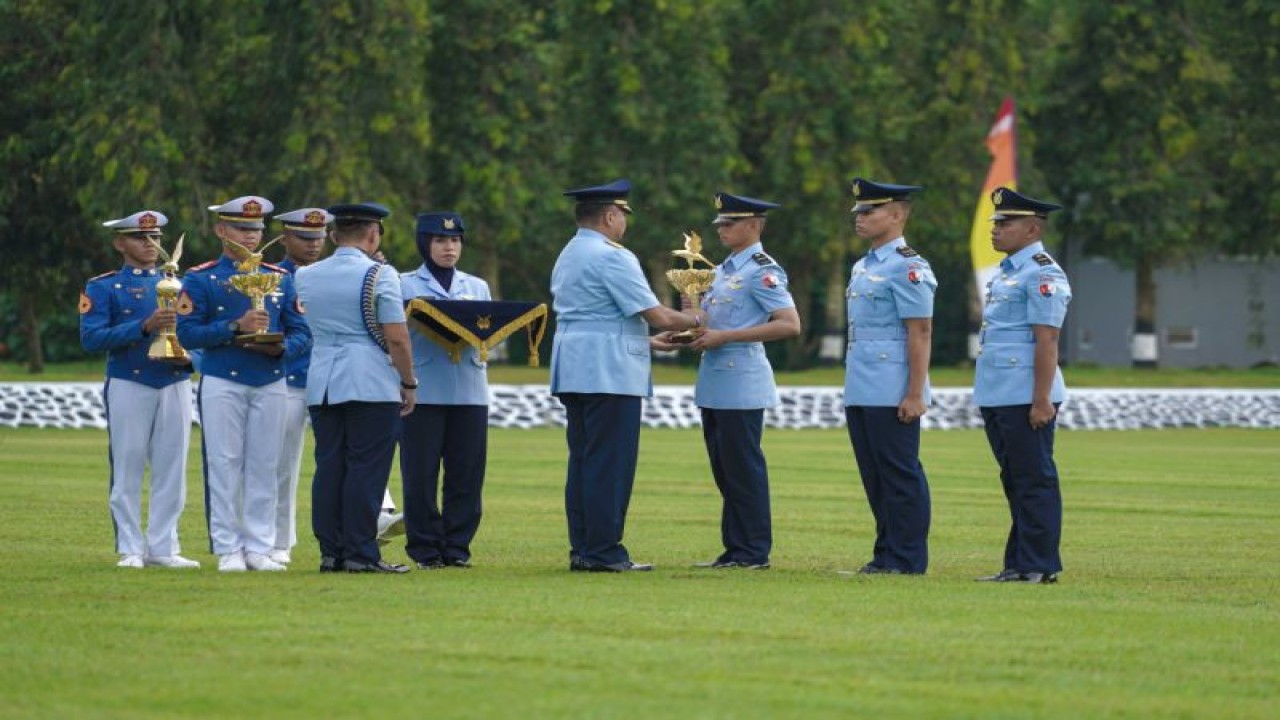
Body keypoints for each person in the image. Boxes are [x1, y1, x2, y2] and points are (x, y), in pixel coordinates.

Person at [550, 178, 707, 573]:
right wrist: (694, 317)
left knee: (584, 461)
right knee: (610, 464)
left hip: (575, 363)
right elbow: (654, 312)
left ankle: (584, 548)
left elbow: (595, 316)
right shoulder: (613, 256)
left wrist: (651, 342)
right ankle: (604, 551)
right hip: (609, 370)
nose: (624, 224)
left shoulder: (570, 252)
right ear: (609, 215)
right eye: (622, 215)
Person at [652, 193, 801, 570]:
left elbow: (789, 323)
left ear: (753, 225)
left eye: (729, 223)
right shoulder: (721, 271)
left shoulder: (761, 269)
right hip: (715, 380)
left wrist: (726, 337)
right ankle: (735, 550)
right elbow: (710, 322)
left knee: (743, 469)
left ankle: (752, 551)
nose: (721, 229)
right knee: (725, 470)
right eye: (719, 223)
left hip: (742, 378)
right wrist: (687, 327)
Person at [176, 195, 311, 573]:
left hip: (270, 379)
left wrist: (280, 350)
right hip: (223, 378)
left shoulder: (280, 279)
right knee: (224, 463)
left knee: (265, 464)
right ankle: (228, 547)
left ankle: (259, 546)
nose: (250, 237)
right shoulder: (201, 278)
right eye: (241, 228)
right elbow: (187, 332)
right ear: (221, 230)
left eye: (256, 230)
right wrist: (235, 328)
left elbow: (302, 332)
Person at [295, 202, 417, 574]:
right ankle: (361, 553)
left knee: (330, 466)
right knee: (367, 467)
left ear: (333, 236)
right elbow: (396, 337)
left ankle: (331, 551)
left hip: (323, 380)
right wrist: (408, 381)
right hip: (368, 379)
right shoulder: (381, 274)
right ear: (373, 234)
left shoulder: (306, 275)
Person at [80, 210, 199, 569]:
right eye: (140, 238)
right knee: (129, 465)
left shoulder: (181, 284)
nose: (151, 245)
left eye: (157, 239)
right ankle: (130, 547)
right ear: (120, 243)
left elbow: (197, 333)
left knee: (172, 467)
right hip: (130, 379)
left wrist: (191, 358)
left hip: (174, 380)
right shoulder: (104, 286)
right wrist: (143, 326)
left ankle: (164, 546)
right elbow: (92, 338)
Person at [973, 187, 1072, 584]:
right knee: (1014, 478)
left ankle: (1039, 564)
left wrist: (1042, 400)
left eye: (1005, 223)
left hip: (1027, 393)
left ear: (1032, 229)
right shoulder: (1010, 271)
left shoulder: (1043, 272)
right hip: (1000, 390)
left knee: (1034, 479)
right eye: (995, 222)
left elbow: (1047, 339)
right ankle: (1018, 563)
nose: (995, 230)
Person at [842, 178, 937, 575]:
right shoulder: (864, 265)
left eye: (870, 211)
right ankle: (885, 553)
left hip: (892, 384)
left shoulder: (909, 266)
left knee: (899, 473)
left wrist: (915, 393)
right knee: (874, 475)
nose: (861, 219)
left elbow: (920, 331)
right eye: (859, 213)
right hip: (862, 382)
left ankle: (907, 557)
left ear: (897, 215)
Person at [398, 211, 492, 569]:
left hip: (469, 389)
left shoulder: (477, 285)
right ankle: (424, 548)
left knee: (466, 474)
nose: (449, 247)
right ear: (425, 243)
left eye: (454, 240)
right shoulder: (404, 283)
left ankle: (457, 547)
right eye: (440, 240)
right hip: (423, 389)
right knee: (420, 474)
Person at [266, 207, 332, 565]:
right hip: (289, 378)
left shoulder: (332, 275)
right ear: (285, 238)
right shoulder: (269, 277)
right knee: (282, 464)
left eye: (319, 238)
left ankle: (373, 520)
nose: (313, 245)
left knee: (347, 456)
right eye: (305, 238)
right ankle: (279, 541)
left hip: (330, 379)